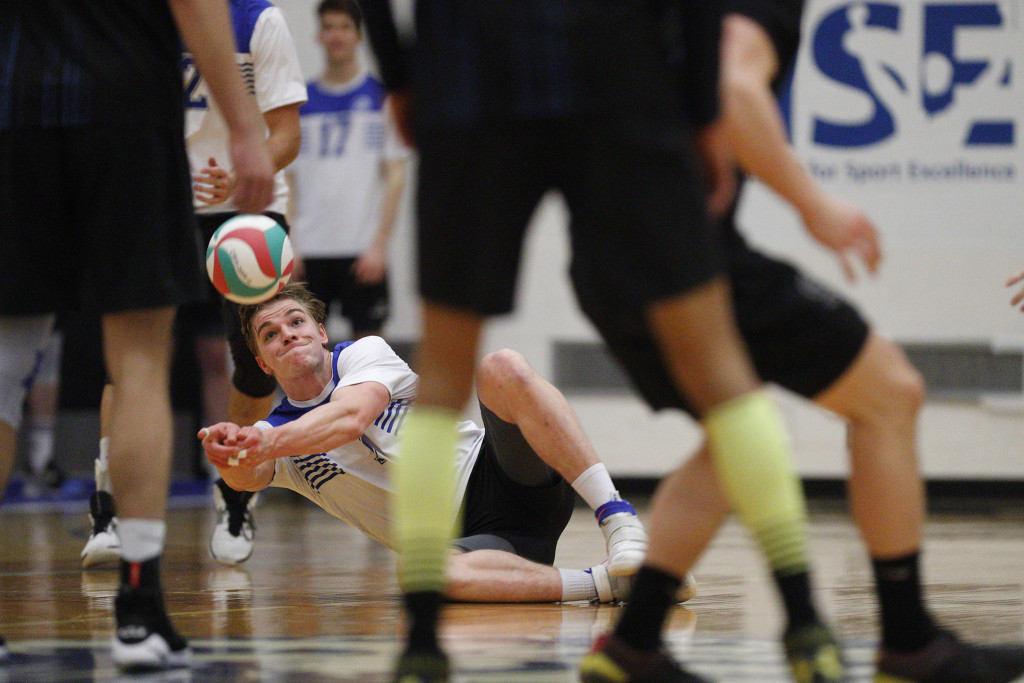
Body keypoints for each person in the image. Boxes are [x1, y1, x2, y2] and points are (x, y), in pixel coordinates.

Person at [360, 3, 839, 682]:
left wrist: (402, 73)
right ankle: (805, 625)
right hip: (618, 60)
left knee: (442, 376)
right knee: (725, 373)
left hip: (470, 63)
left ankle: (422, 643)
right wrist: (701, 110)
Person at [579, 2, 1024, 682]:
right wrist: (814, 205)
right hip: (690, 261)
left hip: (605, 259)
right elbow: (734, 85)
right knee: (890, 393)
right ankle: (910, 642)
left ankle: (633, 642)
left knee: (736, 438)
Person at [0, 0, 274, 672]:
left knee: (3, 369)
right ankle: (139, 611)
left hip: (12, 112)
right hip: (126, 108)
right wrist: (243, 126)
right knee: (141, 364)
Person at [199, 282, 689, 606]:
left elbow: (348, 418)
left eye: (296, 322)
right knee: (420, 573)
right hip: (476, 543)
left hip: (503, 474)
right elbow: (245, 476)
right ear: (262, 363)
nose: (286, 335)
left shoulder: (364, 354)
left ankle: (619, 520)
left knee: (501, 366)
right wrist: (228, 453)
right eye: (269, 334)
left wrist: (263, 442)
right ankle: (612, 584)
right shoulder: (276, 436)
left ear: (321, 331)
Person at [80, 0, 308, 570]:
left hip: (248, 214)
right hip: (161, 202)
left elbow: (286, 134)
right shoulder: (144, 19)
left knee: (256, 363)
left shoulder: (260, 20)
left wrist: (240, 175)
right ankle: (107, 505)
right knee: (135, 358)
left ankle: (234, 493)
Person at [286, 0, 410, 341]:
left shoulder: (381, 97)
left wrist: (380, 245)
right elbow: (289, 180)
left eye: (344, 27)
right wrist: (290, 243)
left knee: (369, 352)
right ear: (319, 35)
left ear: (358, 36)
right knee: (306, 350)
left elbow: (396, 175)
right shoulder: (302, 102)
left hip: (362, 249)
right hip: (309, 251)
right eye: (329, 27)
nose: (336, 35)